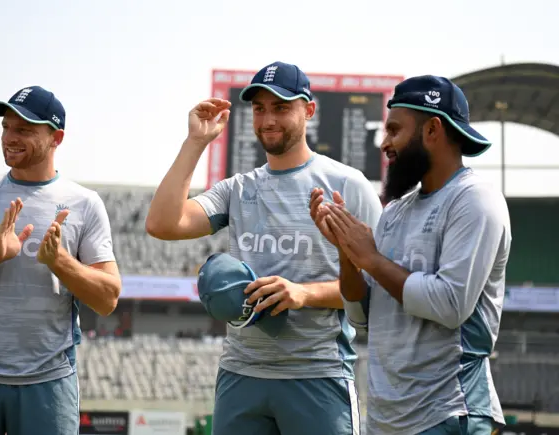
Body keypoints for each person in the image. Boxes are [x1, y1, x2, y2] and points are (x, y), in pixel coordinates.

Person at [146, 61, 383, 435]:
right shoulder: (238, 188)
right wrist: (195, 143)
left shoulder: (348, 185)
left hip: (317, 373)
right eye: (259, 109)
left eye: (281, 107)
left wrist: (302, 293)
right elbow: (162, 223)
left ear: (309, 110)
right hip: (241, 374)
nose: (268, 119)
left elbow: (376, 289)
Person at [311, 75, 511, 435]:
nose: (384, 143)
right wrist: (347, 254)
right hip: (388, 421)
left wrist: (371, 258)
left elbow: (450, 304)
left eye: (394, 130)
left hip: (450, 413)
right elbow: (364, 317)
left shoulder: (475, 199)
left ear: (432, 130)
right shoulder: (394, 212)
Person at [0, 85, 122, 435]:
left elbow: (108, 299)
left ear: (56, 137)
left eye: (25, 129)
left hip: (48, 381)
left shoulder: (84, 203)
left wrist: (60, 262)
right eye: (6, 127)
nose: (9, 137)